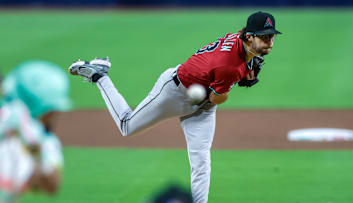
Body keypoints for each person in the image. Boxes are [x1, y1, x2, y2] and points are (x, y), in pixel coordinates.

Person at [69, 11, 281, 203]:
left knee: (201, 159)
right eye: (264, 36)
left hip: (202, 103)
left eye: (271, 36)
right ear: (249, 37)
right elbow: (218, 99)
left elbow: (215, 91)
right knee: (127, 126)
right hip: (174, 92)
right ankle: (99, 75)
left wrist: (245, 70)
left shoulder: (238, 40)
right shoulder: (230, 67)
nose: (269, 41)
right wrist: (242, 75)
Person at [0, 61, 71, 202]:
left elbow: (51, 185)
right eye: (52, 110)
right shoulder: (8, 120)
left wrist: (33, 146)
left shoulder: (45, 141)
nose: (54, 115)